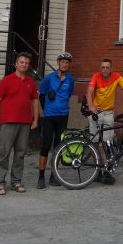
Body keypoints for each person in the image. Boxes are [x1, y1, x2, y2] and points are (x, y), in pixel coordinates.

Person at [85, 58, 123, 184]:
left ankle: (106, 172)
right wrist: (91, 106)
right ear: (100, 68)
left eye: (107, 67)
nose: (105, 69)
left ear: (111, 69)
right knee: (94, 143)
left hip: (108, 114)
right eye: (103, 67)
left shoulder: (117, 77)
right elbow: (89, 91)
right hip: (96, 113)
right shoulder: (96, 76)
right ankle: (97, 172)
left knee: (107, 143)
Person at [0, 52, 39, 195]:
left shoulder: (31, 81)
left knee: (20, 153)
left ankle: (16, 182)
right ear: (16, 64)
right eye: (21, 62)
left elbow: (35, 101)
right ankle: (0, 183)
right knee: (4, 153)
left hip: (25, 122)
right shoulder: (7, 80)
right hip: (8, 122)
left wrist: (35, 120)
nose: (24, 65)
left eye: (26, 63)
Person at [36, 52, 75, 189]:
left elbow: (69, 94)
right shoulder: (49, 78)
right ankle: (41, 177)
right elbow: (42, 96)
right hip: (49, 116)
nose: (65, 64)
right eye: (63, 62)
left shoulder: (70, 79)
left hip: (63, 116)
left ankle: (54, 175)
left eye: (67, 62)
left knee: (58, 146)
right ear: (58, 63)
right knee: (46, 145)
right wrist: (47, 110)